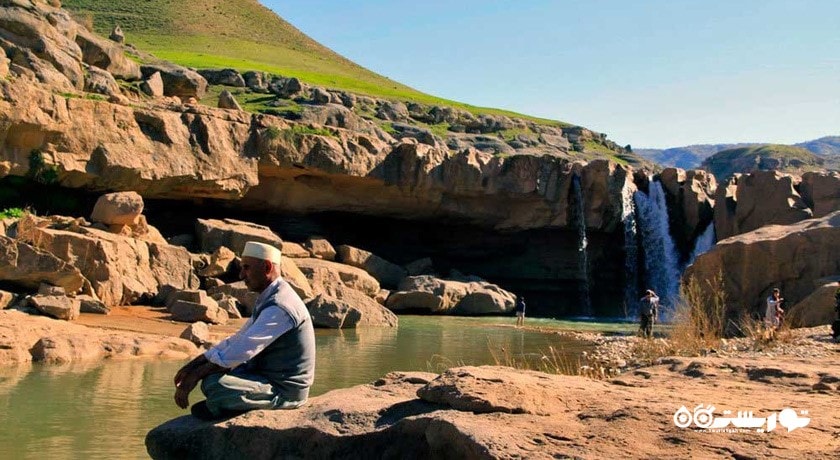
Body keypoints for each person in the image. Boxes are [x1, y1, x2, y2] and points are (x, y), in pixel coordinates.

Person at [173, 241, 316, 421]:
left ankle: (226, 404)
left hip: (284, 391)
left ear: (267, 267)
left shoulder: (281, 306)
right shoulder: (271, 296)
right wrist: (193, 366)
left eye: (246, 268)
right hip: (263, 377)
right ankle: (225, 404)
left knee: (216, 384)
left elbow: (244, 350)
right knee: (212, 379)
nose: (241, 275)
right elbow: (238, 340)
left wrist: (195, 377)